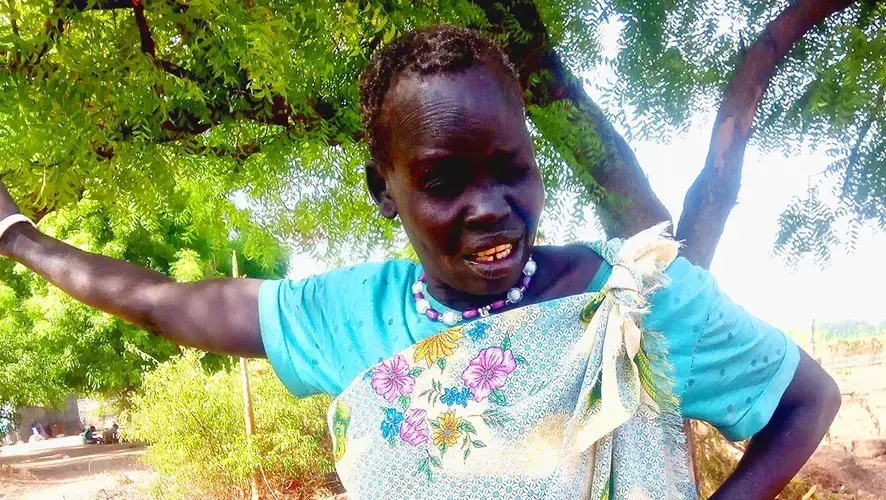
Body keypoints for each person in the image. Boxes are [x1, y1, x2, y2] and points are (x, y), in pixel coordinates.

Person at [0, 25, 840, 499]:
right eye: (441, 181)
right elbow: (161, 301)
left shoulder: (642, 296)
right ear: (384, 188)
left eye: (511, 166)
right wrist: (17, 235)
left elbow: (808, 398)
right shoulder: (346, 315)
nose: (489, 206)